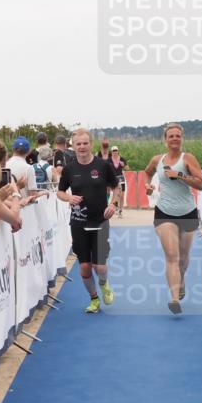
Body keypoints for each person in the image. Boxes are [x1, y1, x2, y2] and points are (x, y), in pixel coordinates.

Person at [57, 128, 121, 314]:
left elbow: (116, 187)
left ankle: (104, 284)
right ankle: (94, 299)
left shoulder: (102, 165)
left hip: (100, 221)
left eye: (85, 143)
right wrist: (69, 198)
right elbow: (60, 192)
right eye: (78, 144)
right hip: (78, 222)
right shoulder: (69, 169)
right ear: (73, 146)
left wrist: (113, 204)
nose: (82, 147)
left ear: (91, 144)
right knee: (85, 267)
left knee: (99, 266)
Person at [144, 124, 202, 315]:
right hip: (164, 212)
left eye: (178, 136)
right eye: (171, 136)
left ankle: (181, 280)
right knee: (172, 256)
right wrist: (148, 186)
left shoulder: (188, 158)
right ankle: (175, 298)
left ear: (182, 138)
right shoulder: (157, 160)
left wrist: (179, 175)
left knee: (183, 258)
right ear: (165, 139)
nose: (175, 139)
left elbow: (200, 184)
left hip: (187, 212)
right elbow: (147, 172)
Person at [6, 136, 39, 201]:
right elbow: (33, 196)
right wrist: (42, 193)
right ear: (28, 151)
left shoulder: (5, 165)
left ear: (13, 149)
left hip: (7, 205)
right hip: (24, 206)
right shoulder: (29, 168)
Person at [107, 146, 128, 216]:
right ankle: (115, 206)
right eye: (113, 151)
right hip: (112, 178)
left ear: (118, 151)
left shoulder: (122, 159)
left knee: (122, 195)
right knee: (115, 194)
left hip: (121, 178)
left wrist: (123, 165)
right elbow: (105, 169)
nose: (115, 152)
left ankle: (120, 210)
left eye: (116, 150)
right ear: (111, 152)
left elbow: (127, 168)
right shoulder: (109, 160)